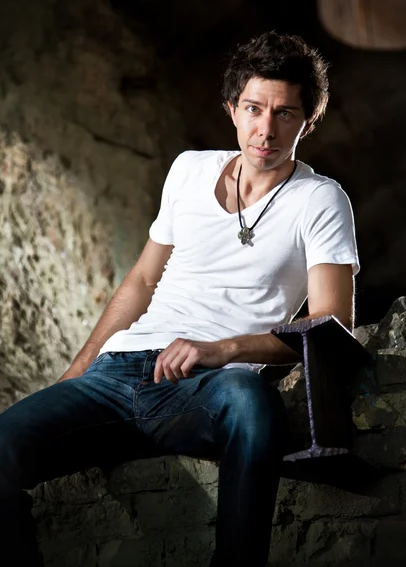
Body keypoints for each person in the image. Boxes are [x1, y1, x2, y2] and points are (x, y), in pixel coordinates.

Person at [0, 32, 359, 566]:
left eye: (285, 114)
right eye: (254, 108)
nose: (265, 130)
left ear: (309, 121)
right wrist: (79, 370)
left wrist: (223, 350)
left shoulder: (320, 200)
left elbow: (331, 328)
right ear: (231, 109)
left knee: (249, 402)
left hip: (209, 388)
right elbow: (142, 282)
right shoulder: (188, 169)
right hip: (116, 377)